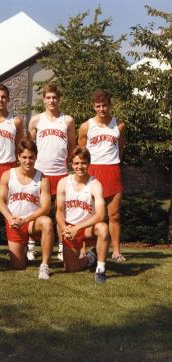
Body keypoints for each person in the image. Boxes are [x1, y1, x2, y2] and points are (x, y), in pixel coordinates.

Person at [28, 83, 76, 262]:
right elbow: (29, 146)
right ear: (43, 99)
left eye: (54, 97)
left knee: (62, 212)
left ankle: (63, 247)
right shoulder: (36, 120)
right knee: (37, 211)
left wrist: (65, 161)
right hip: (40, 173)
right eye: (48, 97)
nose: (51, 100)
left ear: (59, 99)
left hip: (61, 172)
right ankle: (31, 247)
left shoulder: (68, 120)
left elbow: (72, 146)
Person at [78, 90, 126, 262]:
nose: (102, 109)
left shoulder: (119, 125)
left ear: (109, 105)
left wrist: (113, 162)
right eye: (98, 106)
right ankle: (83, 250)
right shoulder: (86, 126)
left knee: (114, 214)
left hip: (112, 170)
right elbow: (82, 151)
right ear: (93, 106)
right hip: (93, 171)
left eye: (104, 105)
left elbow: (120, 149)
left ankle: (116, 252)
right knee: (87, 213)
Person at [0, 140, 54, 279]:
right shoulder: (8, 175)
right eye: (24, 157)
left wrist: (26, 219)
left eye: (31, 157)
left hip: (32, 221)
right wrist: (10, 218)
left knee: (47, 222)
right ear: (18, 157)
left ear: (36, 157)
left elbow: (46, 207)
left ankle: (44, 265)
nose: (28, 161)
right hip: (14, 222)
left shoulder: (43, 178)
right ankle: (23, 248)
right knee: (18, 266)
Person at [56, 146, 109, 283]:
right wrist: (65, 228)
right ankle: (91, 257)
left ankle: (101, 269)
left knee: (103, 228)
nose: (80, 166)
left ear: (89, 164)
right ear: (71, 164)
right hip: (70, 228)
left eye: (83, 163)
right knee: (71, 269)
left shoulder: (95, 184)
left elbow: (101, 215)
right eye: (76, 163)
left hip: (87, 228)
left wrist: (78, 227)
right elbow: (59, 212)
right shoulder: (63, 183)